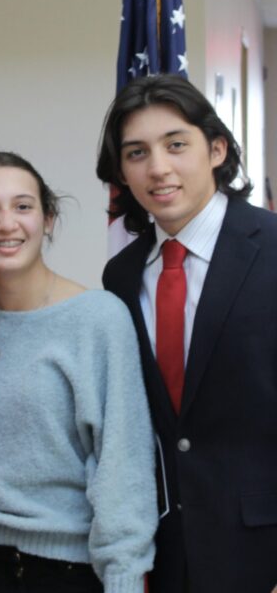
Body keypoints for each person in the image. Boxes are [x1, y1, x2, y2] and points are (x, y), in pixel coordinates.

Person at [96, 74, 277, 593]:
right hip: (168, 557)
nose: (158, 168)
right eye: (136, 153)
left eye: (176, 145)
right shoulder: (122, 275)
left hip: (263, 554)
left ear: (216, 148)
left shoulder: (270, 248)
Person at [0, 151, 157, 593]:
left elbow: (124, 465)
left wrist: (124, 578)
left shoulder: (99, 319)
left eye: (23, 207)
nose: (7, 224)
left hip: (71, 573)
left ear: (47, 219)